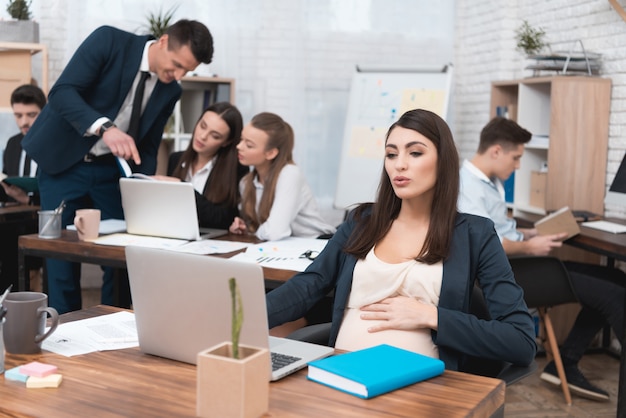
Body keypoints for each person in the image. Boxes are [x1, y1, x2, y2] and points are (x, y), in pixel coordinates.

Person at [266, 109, 537, 372]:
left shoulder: (475, 234)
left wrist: (431, 316)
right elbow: (307, 286)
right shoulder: (361, 222)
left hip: (421, 389)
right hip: (343, 375)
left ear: (443, 161)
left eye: (415, 152)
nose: (399, 164)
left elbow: (521, 341)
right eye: (391, 154)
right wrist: (243, 313)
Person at [21, 20, 214, 314]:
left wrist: (144, 181)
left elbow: (148, 144)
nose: (178, 75)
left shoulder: (170, 90)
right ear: (163, 41)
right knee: (60, 260)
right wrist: (104, 128)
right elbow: (62, 93)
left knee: (121, 258)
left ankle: (113, 330)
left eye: (187, 71)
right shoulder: (109, 41)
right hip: (63, 165)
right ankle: (62, 333)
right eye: (176, 65)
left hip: (111, 174)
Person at [458, 116, 625, 401]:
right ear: (496, 151)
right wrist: (531, 247)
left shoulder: (489, 182)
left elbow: (500, 229)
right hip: (506, 276)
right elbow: (487, 246)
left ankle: (567, 363)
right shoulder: (467, 188)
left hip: (519, 263)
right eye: (517, 157)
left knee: (617, 279)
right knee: (613, 294)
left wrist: (533, 231)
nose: (519, 165)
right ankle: (568, 365)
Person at [229, 112, 336, 241]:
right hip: (283, 249)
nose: (239, 147)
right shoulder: (246, 183)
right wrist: (246, 229)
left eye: (249, 145)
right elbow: (267, 230)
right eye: (241, 139)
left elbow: (275, 232)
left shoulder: (290, 174)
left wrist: (256, 232)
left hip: (317, 244)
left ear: (271, 153)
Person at [156, 102, 248, 229]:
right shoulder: (176, 159)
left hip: (210, 240)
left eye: (215, 136)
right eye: (202, 126)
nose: (203, 136)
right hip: (174, 233)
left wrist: (182, 188)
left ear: (226, 142)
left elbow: (225, 218)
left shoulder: (236, 169)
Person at [2, 84, 46, 205]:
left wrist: (28, 200)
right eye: (18, 115)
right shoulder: (13, 144)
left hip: (44, 215)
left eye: (31, 115)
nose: (24, 122)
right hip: (13, 217)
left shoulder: (54, 145)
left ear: (44, 113)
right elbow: (6, 186)